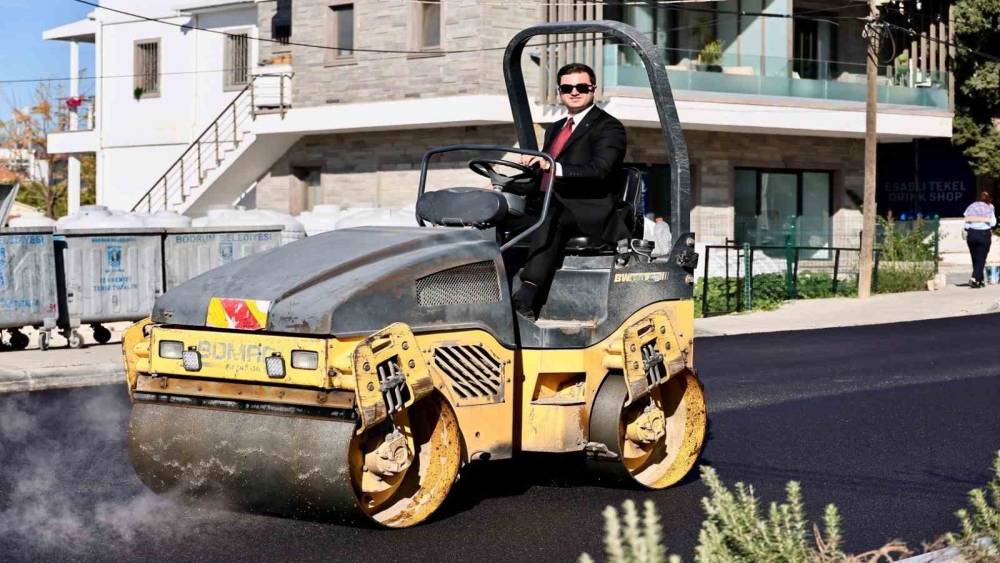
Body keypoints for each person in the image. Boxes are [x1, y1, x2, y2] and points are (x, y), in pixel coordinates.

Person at [512, 62, 630, 319]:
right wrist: (502, 185)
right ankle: (488, 282)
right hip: (552, 202)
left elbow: (600, 170)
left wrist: (553, 166)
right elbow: (541, 174)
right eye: (567, 88)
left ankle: (527, 295)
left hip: (588, 208)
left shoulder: (608, 127)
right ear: (560, 92)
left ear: (593, 89)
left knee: (551, 212)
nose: (574, 92)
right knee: (499, 212)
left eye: (581, 87)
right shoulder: (556, 128)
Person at [962, 191, 996, 288]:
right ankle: (974, 277)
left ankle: (979, 281)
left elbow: (966, 223)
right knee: (981, 258)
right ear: (988, 198)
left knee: (975, 258)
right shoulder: (990, 207)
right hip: (984, 234)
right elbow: (993, 223)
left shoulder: (972, 206)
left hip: (972, 234)